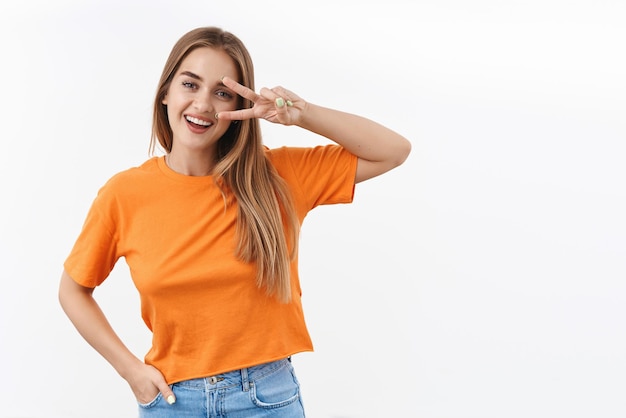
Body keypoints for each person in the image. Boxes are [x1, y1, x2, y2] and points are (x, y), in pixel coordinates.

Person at [58, 26, 411, 417]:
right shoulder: (123, 195)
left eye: (221, 92)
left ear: (239, 108)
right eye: (190, 85)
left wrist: (301, 114)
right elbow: (73, 291)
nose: (203, 104)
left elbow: (393, 151)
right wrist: (131, 372)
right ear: (165, 93)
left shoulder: (277, 175)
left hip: (266, 400)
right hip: (173, 402)